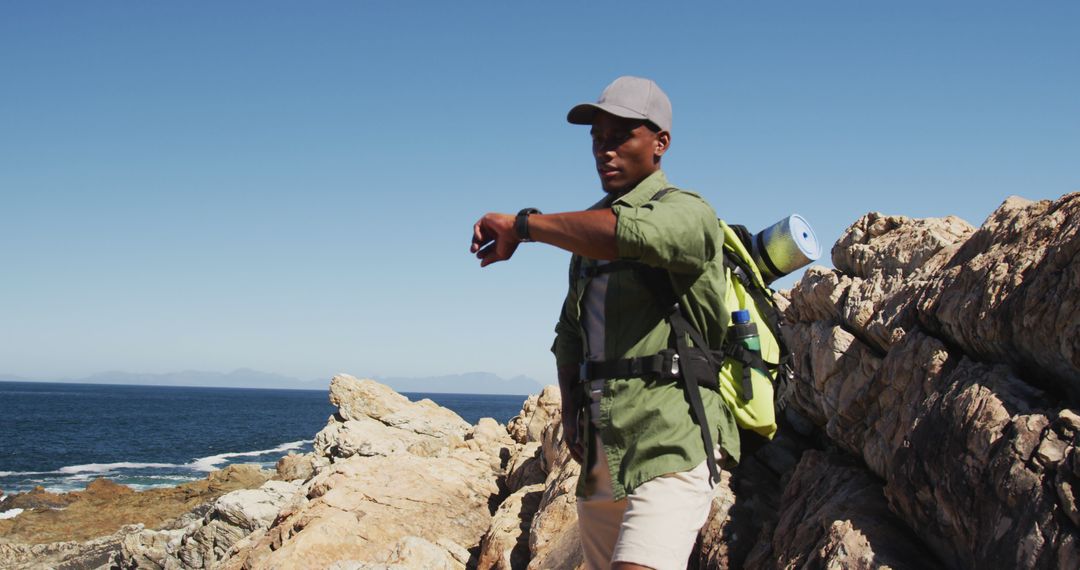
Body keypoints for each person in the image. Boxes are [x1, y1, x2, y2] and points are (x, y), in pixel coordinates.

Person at [471, 76, 739, 570]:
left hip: (669, 440)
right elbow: (569, 333)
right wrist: (571, 406)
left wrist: (524, 226)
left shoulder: (689, 212)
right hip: (602, 455)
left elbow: (630, 235)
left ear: (660, 144)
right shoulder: (587, 234)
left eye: (619, 136)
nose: (604, 149)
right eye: (597, 138)